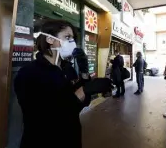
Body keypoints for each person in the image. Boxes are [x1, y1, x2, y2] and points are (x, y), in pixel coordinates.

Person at [14, 20, 113, 148]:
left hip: (71, 139)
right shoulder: (28, 73)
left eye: (73, 38)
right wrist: (84, 90)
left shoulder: (68, 69)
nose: (72, 42)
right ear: (50, 39)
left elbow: (82, 103)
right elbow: (47, 116)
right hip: (42, 141)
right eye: (67, 37)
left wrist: (84, 74)